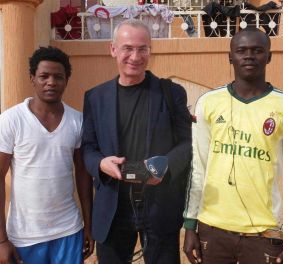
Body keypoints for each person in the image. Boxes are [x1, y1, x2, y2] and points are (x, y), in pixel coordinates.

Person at [183, 28, 283, 264]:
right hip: (212, 231)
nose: (249, 56)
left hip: (263, 234)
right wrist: (190, 224)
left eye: (257, 51)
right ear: (230, 57)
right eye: (241, 51)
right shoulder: (208, 103)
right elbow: (197, 167)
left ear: (269, 56)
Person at [82, 19, 192, 264]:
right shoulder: (95, 98)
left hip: (158, 203)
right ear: (113, 49)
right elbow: (88, 148)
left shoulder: (170, 93)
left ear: (150, 51)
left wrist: (165, 165)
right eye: (127, 48)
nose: (135, 56)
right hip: (113, 204)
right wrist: (101, 164)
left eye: (143, 49)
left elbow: (187, 143)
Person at [0, 46, 94, 264]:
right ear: (32, 78)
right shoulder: (11, 120)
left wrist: (89, 226)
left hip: (68, 230)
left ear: (67, 80)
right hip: (25, 235)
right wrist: (0, 240)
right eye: (44, 76)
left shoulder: (77, 121)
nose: (51, 82)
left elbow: (83, 178)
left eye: (58, 77)